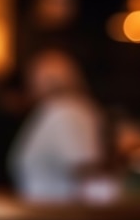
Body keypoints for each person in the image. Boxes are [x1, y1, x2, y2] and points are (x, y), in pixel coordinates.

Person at [7, 49, 106, 201]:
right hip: (49, 213)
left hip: (59, 215)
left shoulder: (65, 111)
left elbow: (84, 166)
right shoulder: (63, 109)